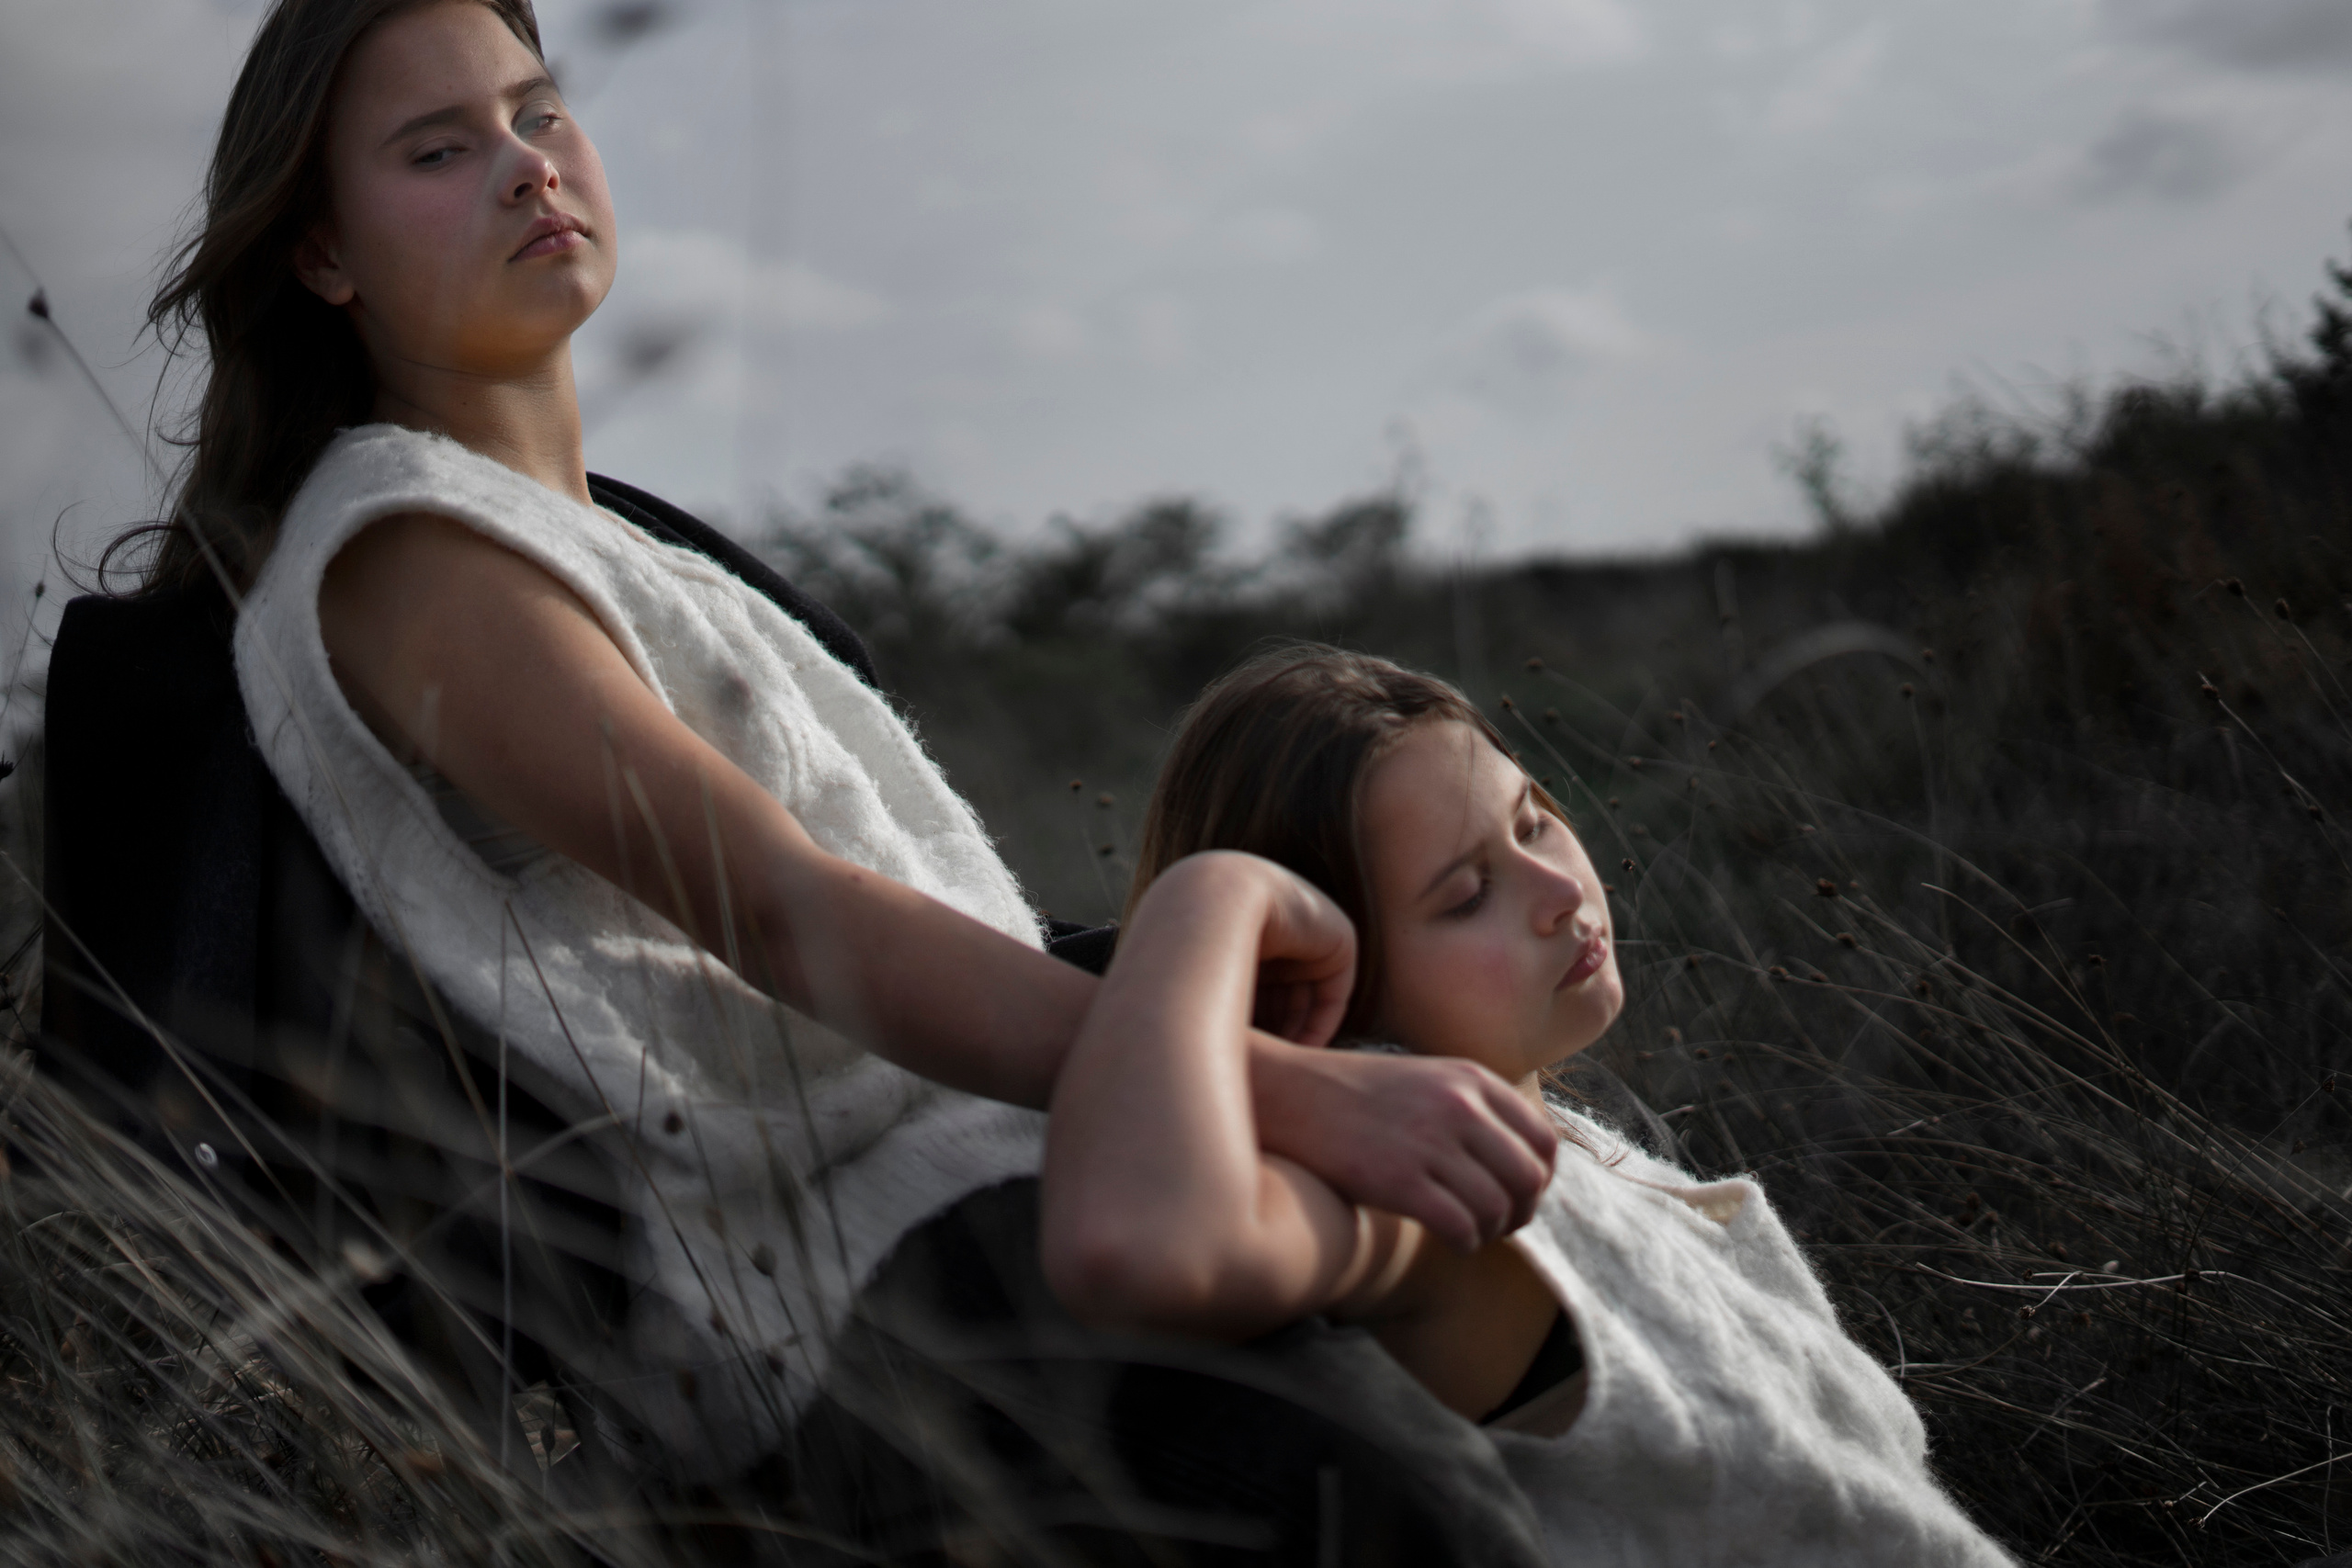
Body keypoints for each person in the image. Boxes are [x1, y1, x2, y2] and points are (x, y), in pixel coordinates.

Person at [46, 0, 1566, 1538]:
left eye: (537, 110)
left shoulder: (625, 546)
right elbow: (789, 915)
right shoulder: (405, 551)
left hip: (1000, 1197)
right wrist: (1293, 1094)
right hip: (874, 1295)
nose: (526, 166)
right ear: (322, 257)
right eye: (441, 150)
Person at [1023, 648, 2018, 1566]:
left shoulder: (1578, 1150)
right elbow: (1137, 1245)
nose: (1556, 889)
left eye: (1534, 817)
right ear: (1326, 976)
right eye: (1464, 896)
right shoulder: (1435, 1208)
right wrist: (1210, 898)